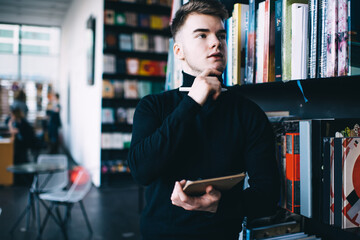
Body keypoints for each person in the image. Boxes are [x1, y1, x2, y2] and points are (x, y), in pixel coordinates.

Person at [128, 0, 280, 239]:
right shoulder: (152, 106)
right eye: (202, 35)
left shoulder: (249, 113)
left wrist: (219, 206)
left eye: (221, 35)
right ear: (179, 51)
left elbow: (269, 196)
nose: (215, 43)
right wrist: (192, 102)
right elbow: (141, 171)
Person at [7, 107, 36, 186]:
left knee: (21, 161)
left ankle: (25, 180)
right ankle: (25, 179)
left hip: (23, 145)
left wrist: (9, 124)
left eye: (12, 115)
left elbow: (14, 131)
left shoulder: (21, 123)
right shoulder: (21, 121)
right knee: (22, 161)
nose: (11, 116)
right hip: (24, 145)